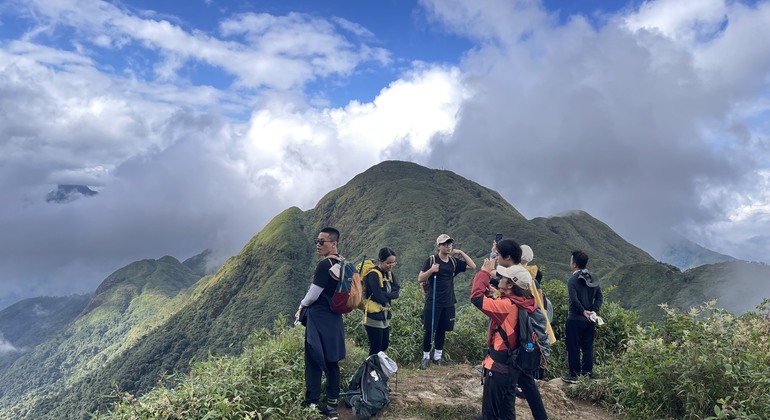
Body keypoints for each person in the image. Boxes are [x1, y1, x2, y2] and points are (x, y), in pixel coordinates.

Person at [471, 240, 548, 420]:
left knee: (490, 414)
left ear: (511, 285)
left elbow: (475, 298)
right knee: (507, 410)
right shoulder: (525, 300)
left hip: (499, 365)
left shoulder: (507, 306)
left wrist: (483, 272)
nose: (499, 278)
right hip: (512, 364)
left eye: (503, 278)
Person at [295, 227, 346, 420]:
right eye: (317, 241)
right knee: (332, 361)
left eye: (322, 241)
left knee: (313, 361)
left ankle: (312, 405)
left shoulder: (325, 265)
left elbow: (313, 294)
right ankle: (332, 406)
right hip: (334, 319)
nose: (318, 244)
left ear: (334, 243)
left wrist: (301, 306)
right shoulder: (343, 263)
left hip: (318, 319)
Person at [417, 234, 476, 369]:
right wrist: (431, 270)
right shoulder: (431, 260)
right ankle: (425, 357)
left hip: (448, 301)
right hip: (433, 301)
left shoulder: (453, 262)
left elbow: (472, 266)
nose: (448, 246)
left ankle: (438, 356)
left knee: (442, 329)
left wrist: (460, 252)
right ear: (438, 246)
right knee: (429, 329)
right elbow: (420, 278)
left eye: (450, 244)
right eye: (445, 244)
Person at [561, 250, 603, 384]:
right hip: (590, 319)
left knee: (573, 346)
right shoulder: (593, 278)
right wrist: (593, 311)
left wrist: (582, 311)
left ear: (574, 264)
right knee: (587, 347)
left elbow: (574, 299)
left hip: (574, 318)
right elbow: (599, 297)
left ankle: (573, 375)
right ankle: (587, 374)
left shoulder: (572, 280)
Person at [363, 247, 401, 356]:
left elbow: (396, 292)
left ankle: (378, 370)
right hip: (373, 317)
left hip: (385, 316)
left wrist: (385, 295)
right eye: (388, 263)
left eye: (393, 263)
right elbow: (379, 296)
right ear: (380, 261)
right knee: (375, 348)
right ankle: (370, 371)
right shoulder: (374, 274)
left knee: (384, 346)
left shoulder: (389, 274)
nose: (390, 266)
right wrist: (388, 296)